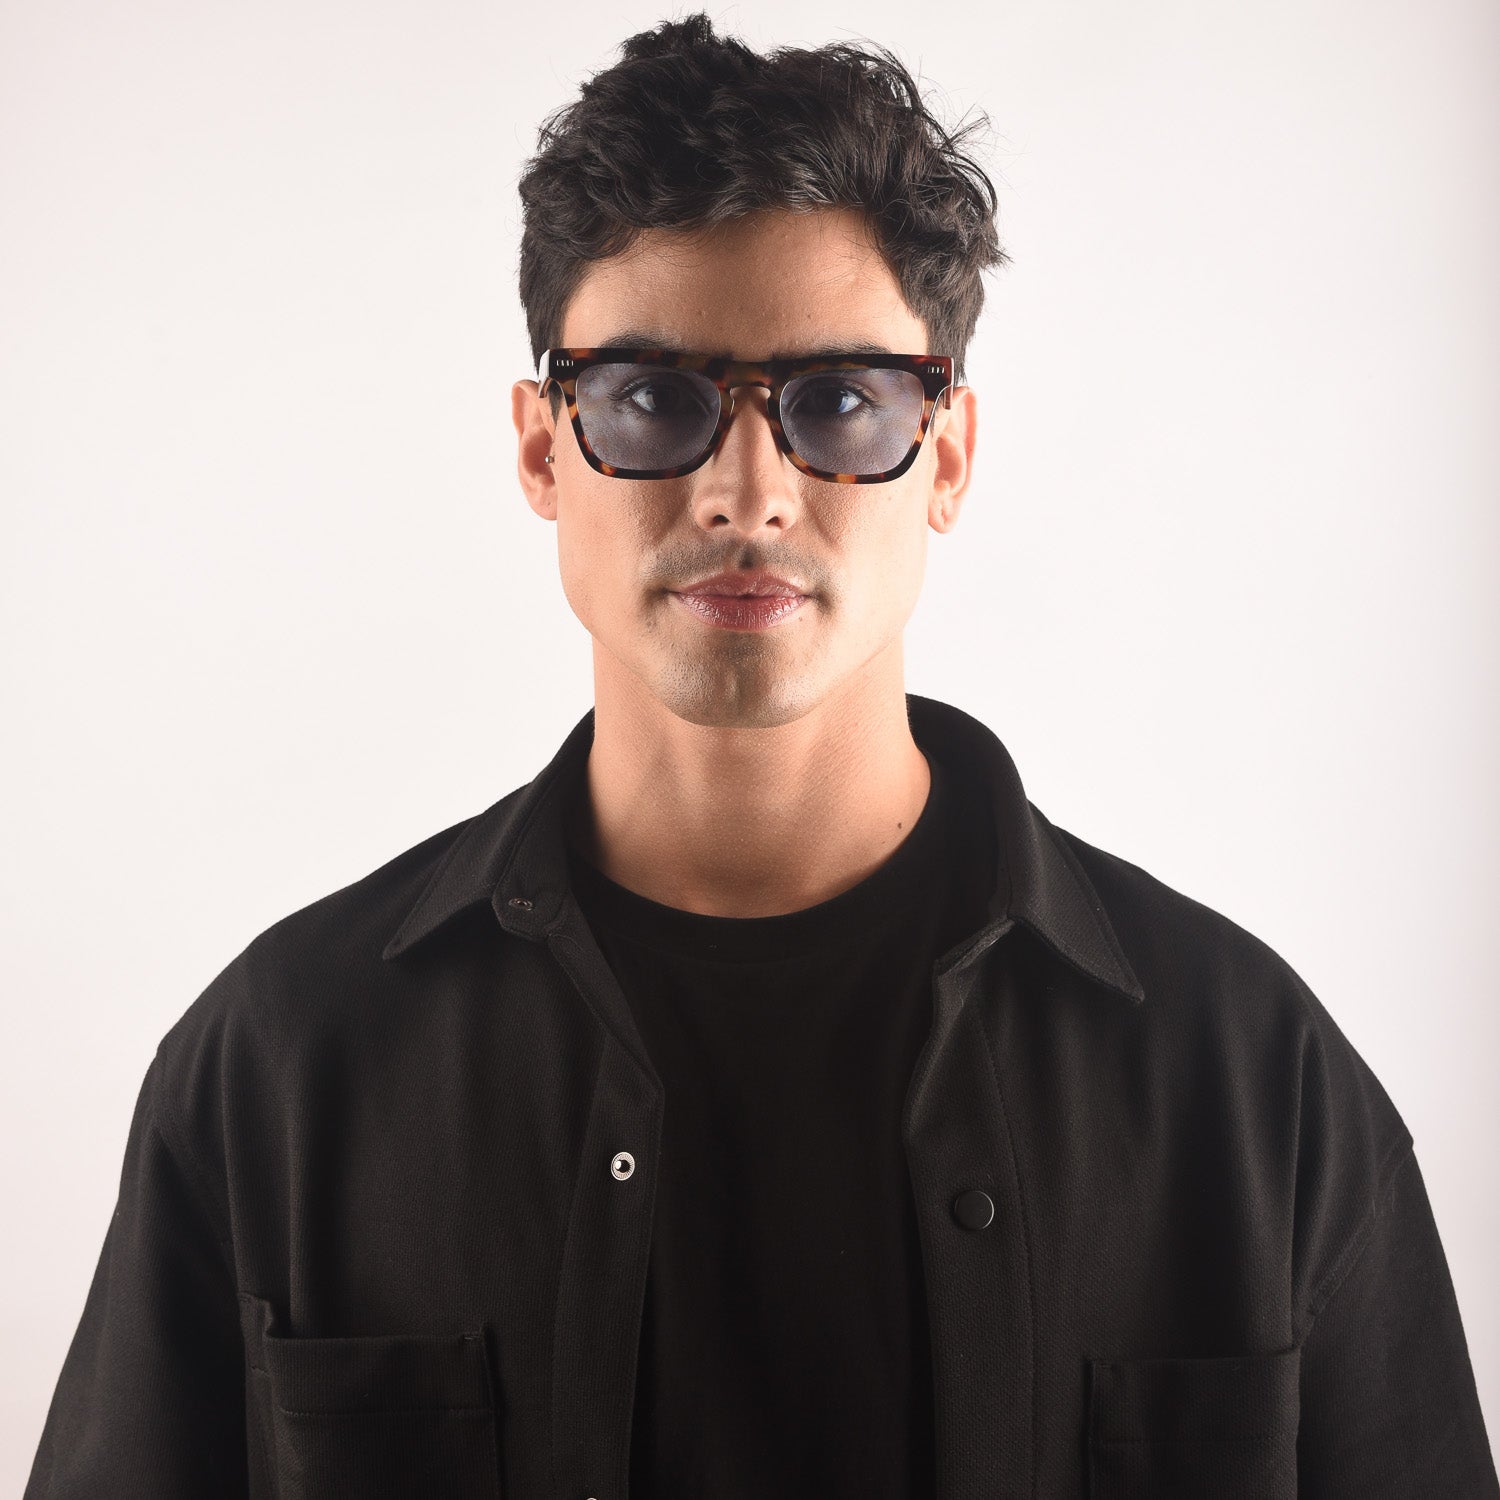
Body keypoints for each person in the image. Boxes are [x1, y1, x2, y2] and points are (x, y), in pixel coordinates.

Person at [24, 14, 1497, 1500]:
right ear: (541, 448)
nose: (748, 493)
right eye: (650, 398)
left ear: (947, 455)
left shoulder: (1251, 1083)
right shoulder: (283, 1069)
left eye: (840, 402)